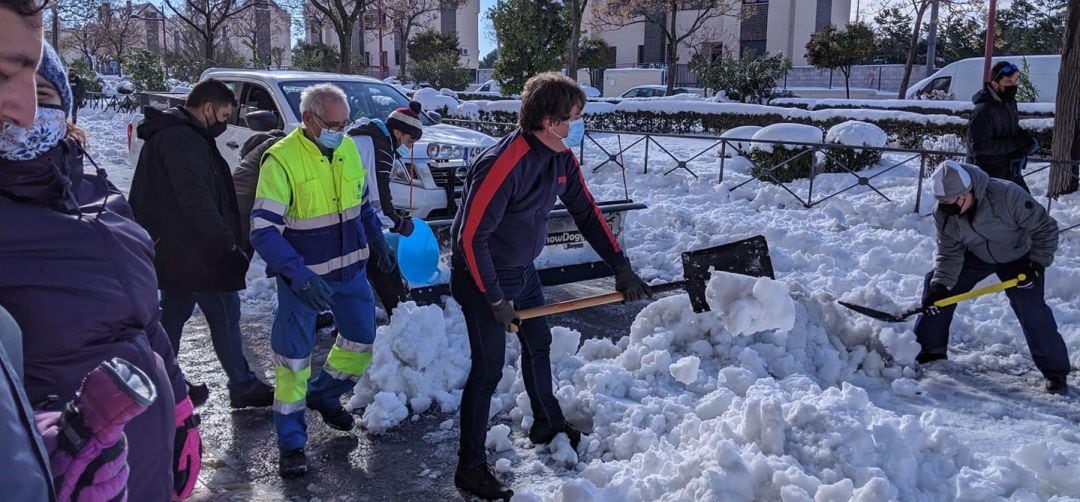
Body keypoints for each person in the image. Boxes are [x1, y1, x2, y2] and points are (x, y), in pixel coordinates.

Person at [0, 41, 196, 501]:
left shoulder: (93, 189)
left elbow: (146, 320)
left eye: (44, 94)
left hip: (144, 466)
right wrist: (50, 447)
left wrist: (181, 405)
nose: (27, 109)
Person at [449, 72, 651, 500]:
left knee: (538, 344)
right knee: (486, 371)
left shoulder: (560, 157)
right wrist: (495, 298)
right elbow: (471, 237)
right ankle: (469, 467)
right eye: (574, 118)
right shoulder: (504, 164)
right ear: (547, 120)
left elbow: (587, 212)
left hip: (521, 272)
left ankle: (547, 420)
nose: (578, 125)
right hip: (481, 275)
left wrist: (621, 265)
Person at [250, 83, 392, 478]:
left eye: (345, 123)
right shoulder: (281, 160)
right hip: (306, 281)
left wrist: (378, 242)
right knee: (293, 361)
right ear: (310, 119)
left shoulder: (346, 148)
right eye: (333, 124)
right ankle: (292, 443)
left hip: (350, 273)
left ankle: (325, 396)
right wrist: (298, 276)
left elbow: (361, 205)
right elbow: (263, 230)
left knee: (361, 342)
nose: (341, 130)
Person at [129, 78, 274, 409]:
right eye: (224, 115)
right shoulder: (183, 139)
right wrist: (225, 244)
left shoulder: (175, 134)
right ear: (207, 108)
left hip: (175, 249)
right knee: (224, 311)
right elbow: (196, 198)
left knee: (174, 314)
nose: (225, 122)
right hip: (196, 251)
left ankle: (160, 380)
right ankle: (240, 384)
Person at [914, 160, 1068, 395]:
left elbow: (1046, 228)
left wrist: (1036, 265)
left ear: (967, 193)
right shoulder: (943, 215)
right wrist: (941, 285)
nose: (947, 208)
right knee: (936, 287)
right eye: (941, 203)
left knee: (1032, 309)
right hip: (976, 255)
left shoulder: (1007, 195)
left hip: (1019, 256)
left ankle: (1055, 372)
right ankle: (929, 350)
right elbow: (949, 254)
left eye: (951, 202)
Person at [346, 101, 428, 313]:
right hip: (351, 212)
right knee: (382, 259)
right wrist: (399, 224)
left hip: (348, 210)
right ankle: (400, 314)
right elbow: (378, 197)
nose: (410, 146)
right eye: (410, 140)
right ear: (397, 132)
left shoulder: (370, 138)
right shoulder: (379, 147)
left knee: (361, 266)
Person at [967, 60, 1038, 192]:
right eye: (1008, 82)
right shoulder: (983, 110)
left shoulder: (1009, 103)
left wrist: (1025, 140)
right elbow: (980, 146)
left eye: (1015, 81)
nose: (1013, 85)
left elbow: (1011, 130)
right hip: (987, 175)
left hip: (1008, 170)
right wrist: (1015, 144)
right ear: (995, 84)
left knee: (1027, 208)